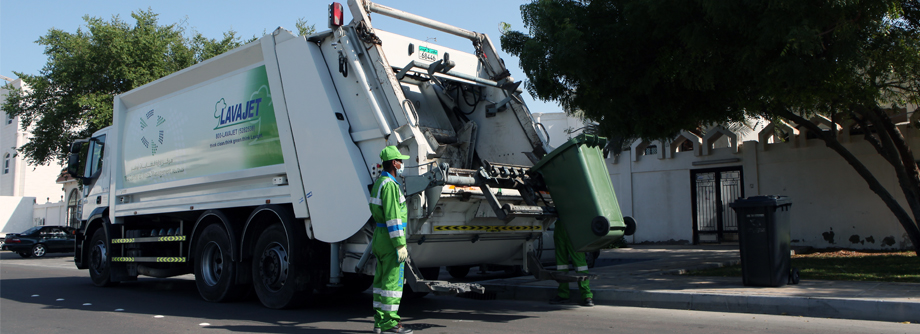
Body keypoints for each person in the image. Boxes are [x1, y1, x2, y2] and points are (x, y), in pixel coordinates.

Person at [370, 146, 413, 334]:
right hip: (390, 240)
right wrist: (400, 245)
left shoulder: (379, 183)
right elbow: (393, 218)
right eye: (400, 161)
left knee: (380, 284)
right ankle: (390, 324)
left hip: (380, 237)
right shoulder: (389, 185)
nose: (402, 164)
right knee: (392, 284)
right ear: (394, 163)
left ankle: (379, 323)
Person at [549, 219, 594, 306]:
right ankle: (563, 294)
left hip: (574, 228)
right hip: (561, 226)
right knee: (561, 265)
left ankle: (587, 295)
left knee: (580, 265)